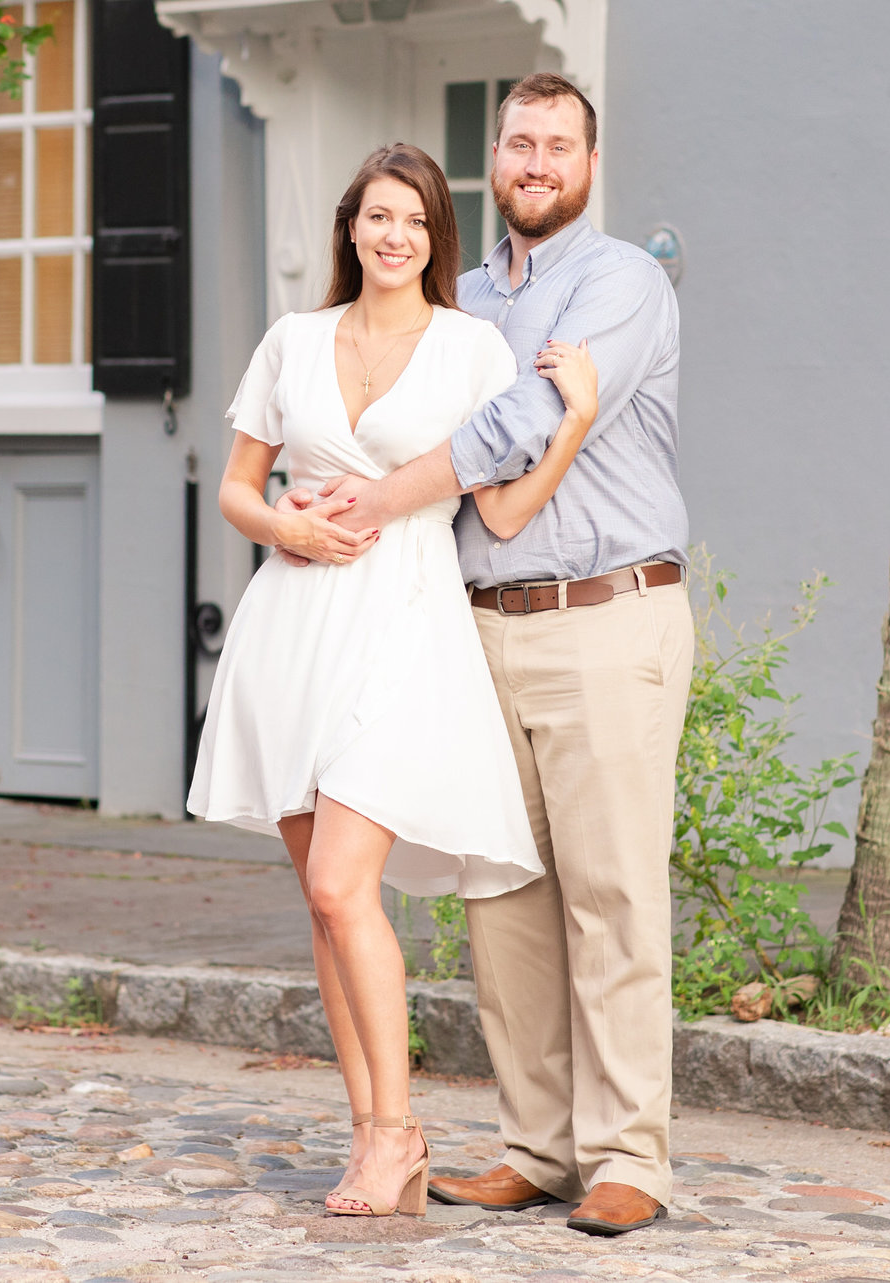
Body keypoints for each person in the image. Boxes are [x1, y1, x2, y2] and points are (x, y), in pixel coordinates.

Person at [284, 73, 690, 1237]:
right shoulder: (455, 299)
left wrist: (371, 497)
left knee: (609, 890)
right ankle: (537, 1143)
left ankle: (628, 1157)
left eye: (559, 144)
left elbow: (508, 432)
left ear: (589, 164)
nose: (536, 161)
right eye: (519, 141)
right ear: (494, 158)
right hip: (472, 625)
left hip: (604, 613)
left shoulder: (620, 282)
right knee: (501, 892)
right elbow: (378, 413)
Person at [190, 142, 599, 1219]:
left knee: (340, 882)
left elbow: (501, 506)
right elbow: (238, 486)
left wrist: (578, 421)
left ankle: (395, 1130)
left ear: (434, 237)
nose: (393, 235)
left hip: (406, 624)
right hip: (291, 624)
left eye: (412, 219)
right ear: (351, 228)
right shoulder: (293, 338)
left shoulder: (470, 348)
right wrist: (282, 521)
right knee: (323, 907)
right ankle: (374, 1133)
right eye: (377, 215)